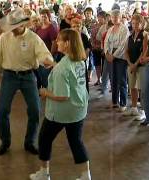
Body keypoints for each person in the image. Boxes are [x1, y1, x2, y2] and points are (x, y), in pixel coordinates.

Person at [0, 8, 54, 156]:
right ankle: (5, 142)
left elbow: (44, 54)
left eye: (15, 27)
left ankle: (30, 141)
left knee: (35, 110)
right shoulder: (4, 38)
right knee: (2, 110)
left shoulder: (33, 38)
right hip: (9, 76)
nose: (12, 30)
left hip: (28, 76)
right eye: (10, 27)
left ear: (24, 24)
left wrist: (48, 61)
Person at [29, 29, 91, 180]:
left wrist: (44, 92)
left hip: (62, 112)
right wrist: (55, 65)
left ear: (68, 43)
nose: (57, 42)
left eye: (59, 40)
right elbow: (69, 74)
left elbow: (63, 96)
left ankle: (44, 174)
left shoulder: (63, 67)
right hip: (79, 109)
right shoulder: (80, 60)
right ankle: (85, 176)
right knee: (76, 141)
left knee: (44, 138)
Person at [123, 14, 148, 119]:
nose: (135, 25)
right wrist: (130, 63)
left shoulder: (145, 35)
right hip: (131, 65)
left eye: (137, 23)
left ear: (142, 24)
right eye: (133, 23)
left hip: (141, 65)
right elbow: (126, 52)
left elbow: (144, 51)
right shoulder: (130, 36)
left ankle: (143, 110)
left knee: (142, 88)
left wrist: (136, 64)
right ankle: (134, 108)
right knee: (132, 87)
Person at [104, 10, 129, 111]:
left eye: (116, 17)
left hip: (120, 56)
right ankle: (115, 102)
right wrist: (106, 53)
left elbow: (123, 45)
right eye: (112, 17)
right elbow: (106, 41)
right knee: (113, 79)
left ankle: (123, 103)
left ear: (120, 17)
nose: (114, 18)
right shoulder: (110, 29)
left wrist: (114, 55)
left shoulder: (124, 29)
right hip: (110, 55)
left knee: (121, 80)